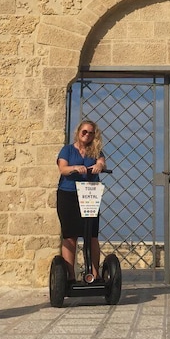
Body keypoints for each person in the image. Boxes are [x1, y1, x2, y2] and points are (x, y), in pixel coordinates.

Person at [56, 119, 107, 282]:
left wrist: (99, 165)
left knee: (91, 236)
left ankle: (94, 275)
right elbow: (63, 168)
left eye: (91, 133)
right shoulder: (68, 150)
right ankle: (70, 276)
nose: (87, 135)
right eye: (84, 132)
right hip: (69, 194)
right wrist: (74, 168)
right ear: (78, 132)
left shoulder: (96, 151)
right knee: (70, 236)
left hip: (89, 194)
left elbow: (101, 162)